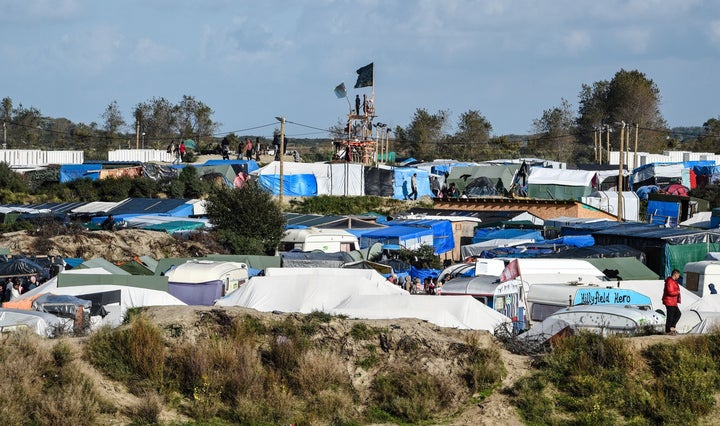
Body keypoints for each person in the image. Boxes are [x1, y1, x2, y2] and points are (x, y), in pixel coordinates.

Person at [662, 269, 682, 335]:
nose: (678, 276)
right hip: (669, 301)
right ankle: (668, 330)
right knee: (670, 316)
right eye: (678, 275)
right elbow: (670, 292)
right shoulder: (670, 281)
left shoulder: (674, 281)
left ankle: (672, 327)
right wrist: (677, 292)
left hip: (673, 301)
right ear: (675, 274)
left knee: (677, 314)